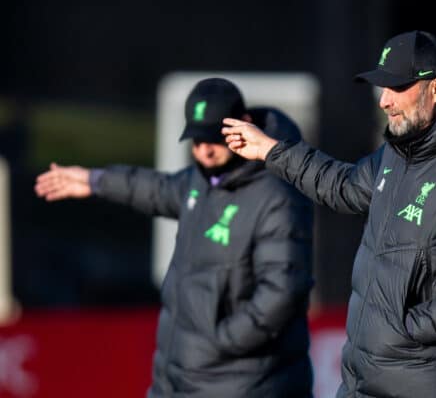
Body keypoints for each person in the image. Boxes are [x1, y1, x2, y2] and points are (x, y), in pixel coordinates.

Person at [222, 31, 436, 398]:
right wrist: (271, 150)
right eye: (382, 87)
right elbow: (342, 185)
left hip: (430, 385)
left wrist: (407, 330)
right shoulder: (397, 152)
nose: (384, 101)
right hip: (364, 380)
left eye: (396, 88)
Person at [34, 78, 314, 398]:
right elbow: (155, 188)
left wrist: (221, 342)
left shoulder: (276, 195)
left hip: (242, 383)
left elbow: (283, 292)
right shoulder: (202, 180)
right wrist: (94, 180)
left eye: (213, 139)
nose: (203, 150)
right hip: (179, 377)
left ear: (244, 125)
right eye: (196, 140)